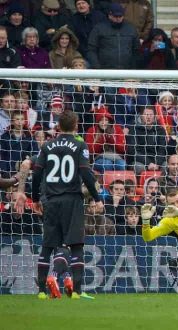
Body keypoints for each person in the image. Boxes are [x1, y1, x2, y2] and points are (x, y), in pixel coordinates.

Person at [31, 111, 103, 300]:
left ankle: (41, 292)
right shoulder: (80, 145)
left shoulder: (47, 146)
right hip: (72, 200)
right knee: (76, 245)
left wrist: (35, 198)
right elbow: (86, 173)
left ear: (58, 126)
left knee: (47, 245)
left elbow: (37, 173)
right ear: (76, 125)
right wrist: (97, 197)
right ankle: (77, 292)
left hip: (51, 200)